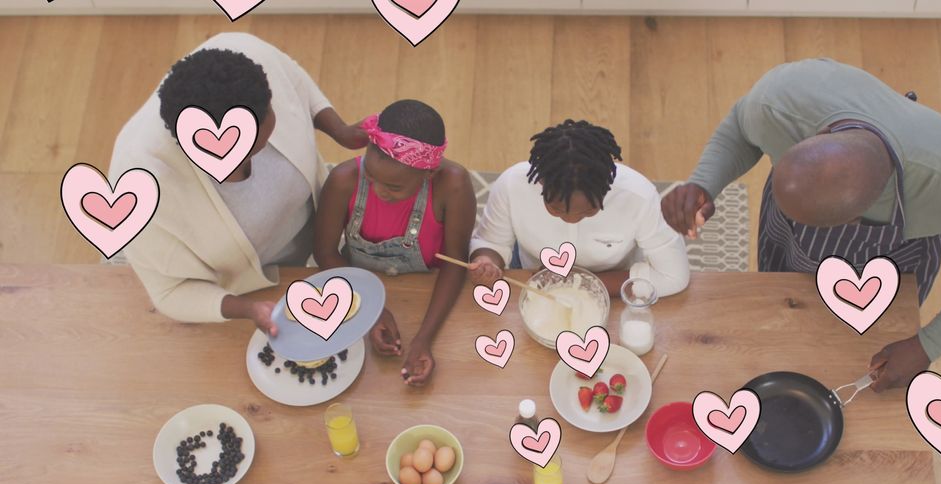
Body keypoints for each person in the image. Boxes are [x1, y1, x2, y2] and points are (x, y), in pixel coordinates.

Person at [661, 58, 941, 392]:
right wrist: (703, 183)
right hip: (791, 248)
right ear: (814, 139)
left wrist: (927, 344)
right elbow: (741, 127)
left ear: (855, 220)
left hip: (890, 268)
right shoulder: (782, 100)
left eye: (809, 223)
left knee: (857, 353)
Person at [109, 33, 369, 336]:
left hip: (317, 240)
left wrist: (339, 130)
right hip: (245, 288)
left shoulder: (243, 54)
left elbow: (293, 79)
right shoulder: (141, 187)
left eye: (270, 108)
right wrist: (247, 309)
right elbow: (169, 291)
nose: (276, 113)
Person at [314, 100, 475, 386]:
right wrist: (369, 309)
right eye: (370, 177)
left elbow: (455, 263)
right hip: (358, 287)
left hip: (428, 292)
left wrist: (423, 338)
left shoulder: (454, 186)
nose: (379, 191)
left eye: (394, 187)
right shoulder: (343, 180)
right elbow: (324, 253)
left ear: (429, 173)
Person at [469, 119, 690, 298]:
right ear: (541, 183)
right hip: (532, 276)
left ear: (606, 188)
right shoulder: (511, 185)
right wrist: (487, 262)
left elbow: (674, 276)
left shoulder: (639, 197)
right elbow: (491, 243)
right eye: (556, 209)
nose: (571, 219)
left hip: (615, 282)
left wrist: (579, 284)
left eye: (588, 211)